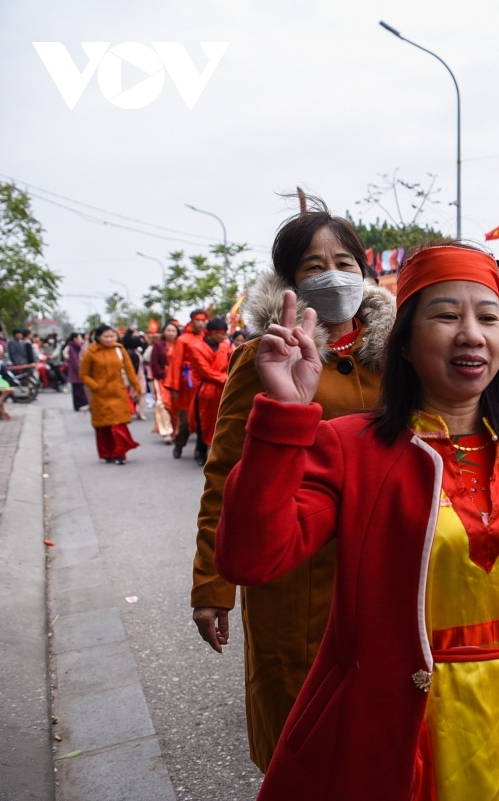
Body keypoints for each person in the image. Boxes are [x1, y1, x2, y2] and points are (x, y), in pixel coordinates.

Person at [214, 243, 499, 800]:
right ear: (403, 341)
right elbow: (250, 557)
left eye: (488, 317)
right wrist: (284, 414)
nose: (472, 334)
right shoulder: (351, 448)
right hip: (404, 729)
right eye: (447, 316)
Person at [190, 198, 395, 771]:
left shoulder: (402, 356)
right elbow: (227, 472)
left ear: (365, 268)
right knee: (303, 742)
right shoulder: (264, 356)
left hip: (388, 569)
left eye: (345, 262)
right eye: (313, 265)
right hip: (291, 575)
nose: (333, 274)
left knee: (383, 738)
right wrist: (212, 584)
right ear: (289, 281)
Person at [79, 324, 142, 464]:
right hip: (100, 394)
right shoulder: (91, 352)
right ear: (98, 337)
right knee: (103, 426)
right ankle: (106, 452)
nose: (109, 339)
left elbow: (130, 370)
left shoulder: (119, 349)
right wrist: (96, 385)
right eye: (106, 336)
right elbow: (83, 375)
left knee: (118, 424)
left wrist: (137, 387)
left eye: (112, 336)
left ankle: (120, 453)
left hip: (118, 392)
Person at [187, 317, 233, 466]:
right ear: (212, 333)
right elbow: (205, 371)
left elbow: (233, 361)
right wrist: (225, 378)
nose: (224, 337)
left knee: (223, 421)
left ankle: (219, 452)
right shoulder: (196, 348)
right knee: (204, 422)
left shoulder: (225, 346)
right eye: (221, 333)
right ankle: (200, 451)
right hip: (206, 389)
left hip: (224, 389)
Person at [165, 310, 208, 459]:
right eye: (198, 320)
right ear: (192, 321)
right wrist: (174, 387)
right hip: (186, 383)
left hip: (203, 382)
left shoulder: (207, 338)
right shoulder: (182, 339)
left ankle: (201, 450)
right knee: (185, 418)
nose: (201, 323)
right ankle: (179, 444)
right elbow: (176, 363)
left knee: (203, 416)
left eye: (204, 320)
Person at [149, 322, 179, 443]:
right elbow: (154, 362)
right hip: (162, 378)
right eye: (168, 330)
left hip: (177, 379)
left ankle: (176, 429)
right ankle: (166, 431)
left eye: (173, 330)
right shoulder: (158, 345)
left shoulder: (181, 344)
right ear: (164, 332)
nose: (171, 333)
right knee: (162, 403)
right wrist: (162, 374)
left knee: (176, 405)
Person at [63, 332, 88, 411]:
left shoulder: (79, 346)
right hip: (76, 371)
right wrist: (79, 370)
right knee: (77, 390)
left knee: (80, 389)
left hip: (80, 370)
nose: (81, 339)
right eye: (79, 338)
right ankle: (77, 405)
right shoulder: (72, 347)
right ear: (75, 339)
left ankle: (81, 404)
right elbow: (74, 361)